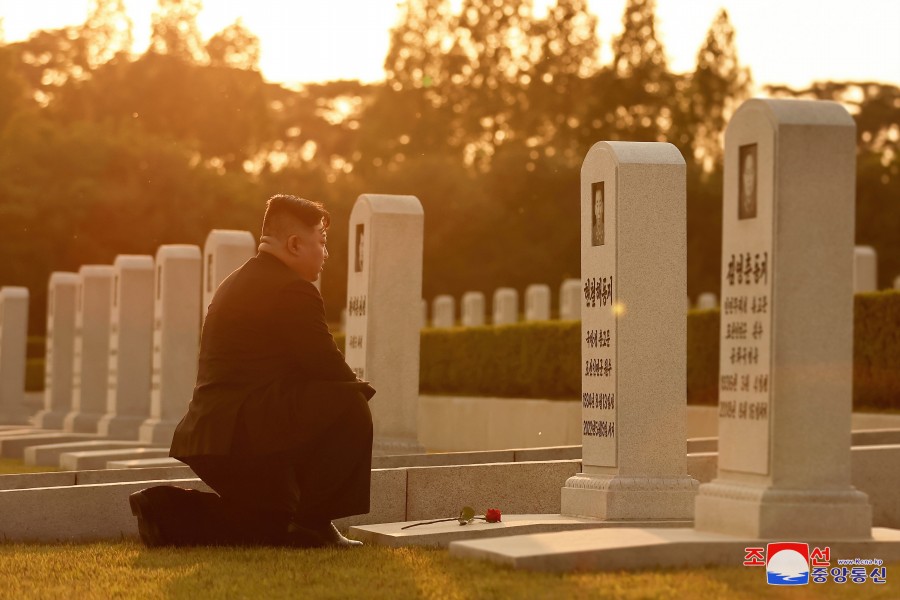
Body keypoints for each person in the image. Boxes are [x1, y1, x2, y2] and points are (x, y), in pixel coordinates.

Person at [129, 194, 376, 548]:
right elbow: (328, 367)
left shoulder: (237, 281)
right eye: (321, 242)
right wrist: (362, 389)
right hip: (246, 434)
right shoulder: (292, 289)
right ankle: (315, 524)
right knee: (349, 403)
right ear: (294, 244)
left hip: (208, 438)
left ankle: (161, 509)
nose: (325, 254)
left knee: (268, 522)